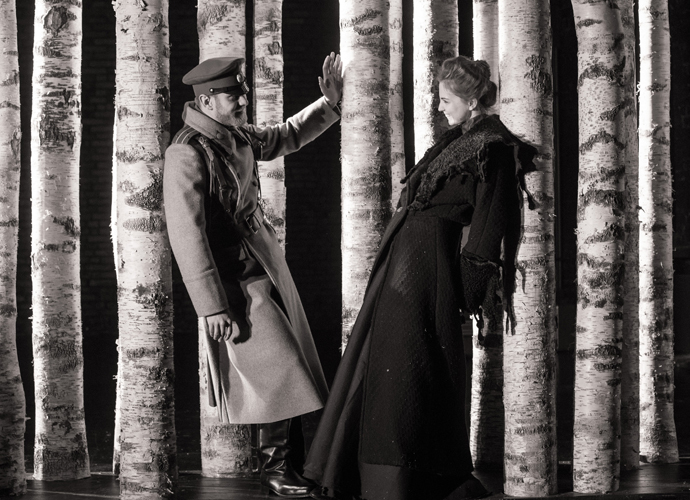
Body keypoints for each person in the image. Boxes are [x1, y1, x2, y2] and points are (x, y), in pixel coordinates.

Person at [303, 55, 537, 500]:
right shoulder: (457, 139)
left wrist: (469, 286)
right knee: (379, 360)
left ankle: (406, 480)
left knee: (412, 367)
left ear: (472, 102)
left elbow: (490, 223)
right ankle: (351, 473)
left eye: (447, 100)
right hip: (404, 263)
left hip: (429, 271)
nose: (440, 107)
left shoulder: (493, 146)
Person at [163, 53, 343, 498]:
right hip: (233, 281)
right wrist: (211, 306)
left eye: (242, 91)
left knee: (289, 367)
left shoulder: (235, 133)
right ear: (207, 101)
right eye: (234, 95)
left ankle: (288, 466)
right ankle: (276, 468)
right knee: (280, 366)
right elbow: (187, 236)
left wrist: (329, 104)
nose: (244, 100)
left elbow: (284, 136)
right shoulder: (186, 152)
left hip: (264, 264)